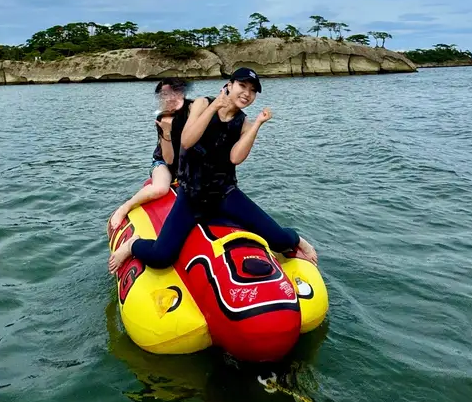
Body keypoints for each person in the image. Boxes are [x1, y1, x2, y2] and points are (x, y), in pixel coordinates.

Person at [109, 67, 317, 273]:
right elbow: (187, 141)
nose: (246, 93)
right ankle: (132, 245)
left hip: (225, 194)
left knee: (280, 241)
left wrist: (257, 125)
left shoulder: (244, 123)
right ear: (228, 85)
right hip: (191, 196)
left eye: (252, 90)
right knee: (160, 257)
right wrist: (215, 105)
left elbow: (235, 158)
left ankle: (298, 238)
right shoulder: (202, 103)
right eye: (242, 86)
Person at [107, 78, 192, 234]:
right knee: (160, 189)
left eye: (174, 92)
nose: (170, 98)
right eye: (164, 94)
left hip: (189, 162)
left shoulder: (194, 110)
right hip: (164, 163)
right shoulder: (162, 119)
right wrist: (166, 132)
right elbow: (169, 160)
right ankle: (125, 207)